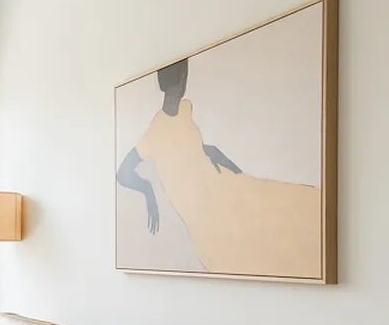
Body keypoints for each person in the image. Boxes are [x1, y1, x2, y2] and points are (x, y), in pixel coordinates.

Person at [116, 59, 321, 278]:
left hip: (218, 184)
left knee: (279, 204)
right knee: (260, 240)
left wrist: (215, 155)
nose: (183, 83)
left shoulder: (184, 111)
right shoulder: (156, 130)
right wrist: (148, 192)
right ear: (176, 80)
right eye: (182, 77)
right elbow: (123, 172)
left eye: (184, 76)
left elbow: (186, 145)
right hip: (204, 209)